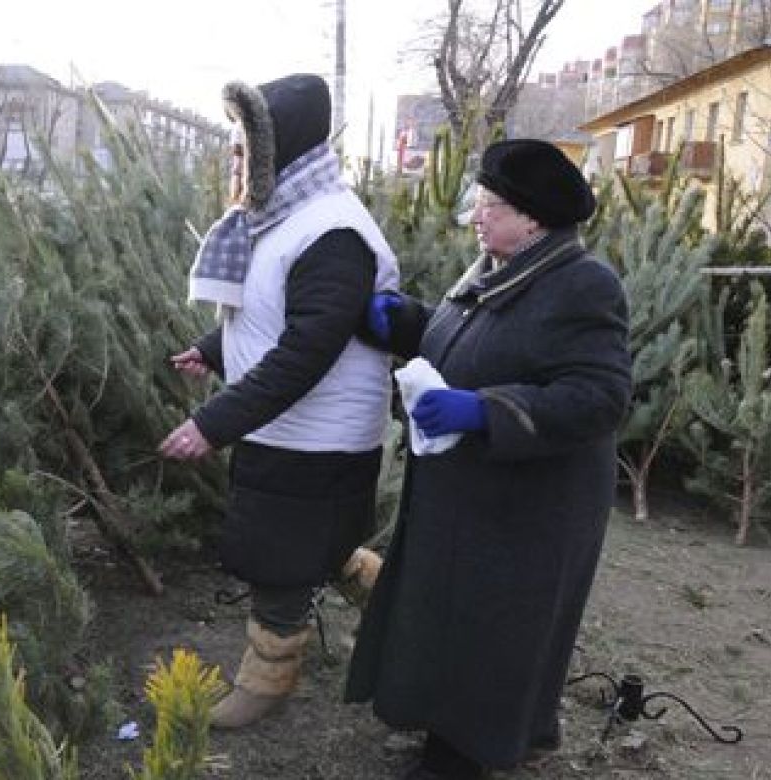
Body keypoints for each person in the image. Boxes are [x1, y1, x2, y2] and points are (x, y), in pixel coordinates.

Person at [343, 138, 632, 779]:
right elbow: (477, 342)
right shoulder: (494, 269)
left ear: (532, 216)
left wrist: (486, 410)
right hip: (472, 493)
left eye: (489, 205)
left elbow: (599, 395)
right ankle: (451, 729)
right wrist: (408, 323)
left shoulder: (582, 285)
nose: (476, 215)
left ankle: (466, 755)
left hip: (529, 508)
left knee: (494, 627)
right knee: (451, 615)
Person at [158, 73, 397, 729]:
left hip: (317, 438)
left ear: (278, 154)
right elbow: (267, 310)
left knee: (280, 564)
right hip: (290, 431)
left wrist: (212, 423)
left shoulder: (334, 231)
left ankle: (265, 681)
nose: (234, 161)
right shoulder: (287, 216)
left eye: (243, 150)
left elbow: (305, 351)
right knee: (318, 546)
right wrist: (213, 349)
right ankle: (407, 610)